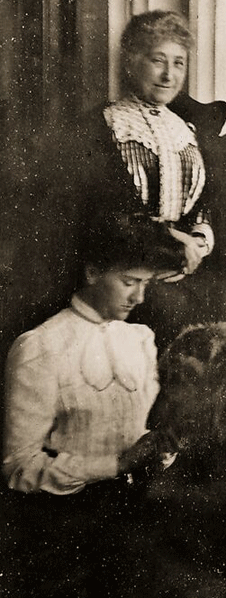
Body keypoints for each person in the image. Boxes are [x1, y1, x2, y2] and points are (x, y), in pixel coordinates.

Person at [12, 9, 226, 352]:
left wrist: (200, 240)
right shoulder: (102, 127)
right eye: (157, 60)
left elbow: (206, 204)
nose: (168, 75)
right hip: (129, 277)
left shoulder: (190, 133)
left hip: (192, 272)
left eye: (178, 63)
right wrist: (168, 244)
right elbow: (100, 214)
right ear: (132, 62)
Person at [2, 212, 185, 597]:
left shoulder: (141, 338)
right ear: (92, 272)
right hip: (69, 530)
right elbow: (18, 468)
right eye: (128, 282)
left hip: (141, 514)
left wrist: (162, 448)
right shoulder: (42, 347)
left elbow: (144, 434)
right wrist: (115, 465)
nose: (139, 297)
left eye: (146, 283)